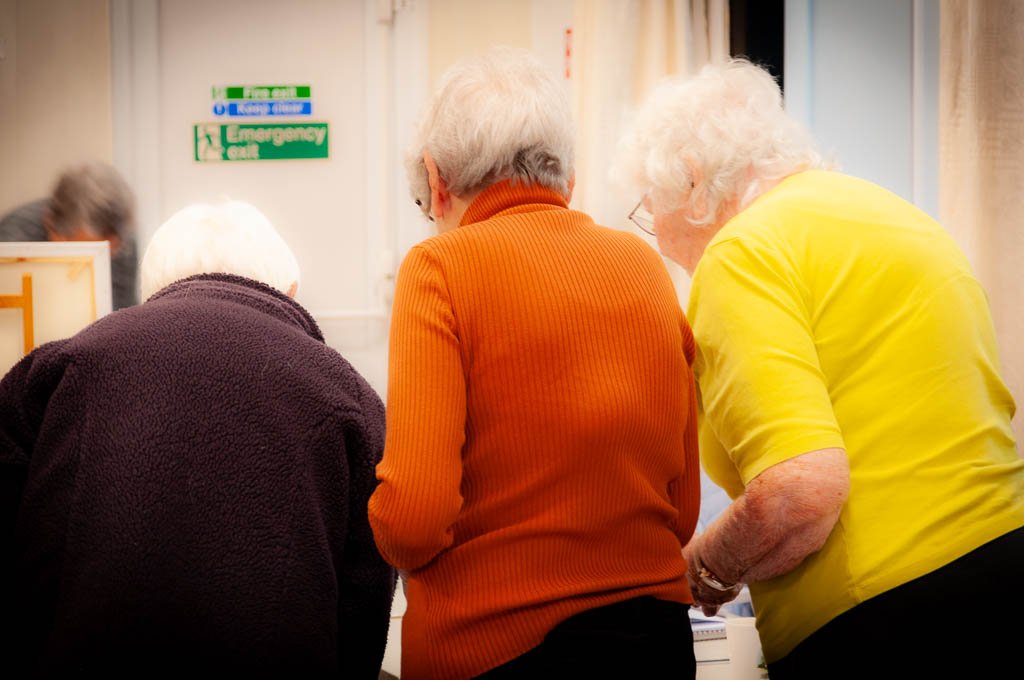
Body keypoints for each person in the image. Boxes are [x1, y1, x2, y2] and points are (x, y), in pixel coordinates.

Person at [612, 59, 1024, 677]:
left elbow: (800, 492)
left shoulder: (742, 251)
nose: (661, 243)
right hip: (1002, 570)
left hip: (888, 614)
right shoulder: (893, 214)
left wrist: (699, 569)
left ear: (693, 184)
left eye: (651, 211)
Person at [367, 47, 701, 680]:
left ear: (437, 183)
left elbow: (412, 522)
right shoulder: (644, 267)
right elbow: (679, 512)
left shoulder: (440, 269)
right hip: (654, 641)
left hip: (494, 649)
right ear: (566, 181)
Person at [0, 200, 395, 677]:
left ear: (153, 292)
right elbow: (366, 589)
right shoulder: (346, 392)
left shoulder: (65, 362)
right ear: (291, 292)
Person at [0, 161, 139, 309]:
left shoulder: (124, 243)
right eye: (89, 253)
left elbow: (121, 318)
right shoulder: (13, 245)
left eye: (110, 252)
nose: (103, 258)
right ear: (52, 227)